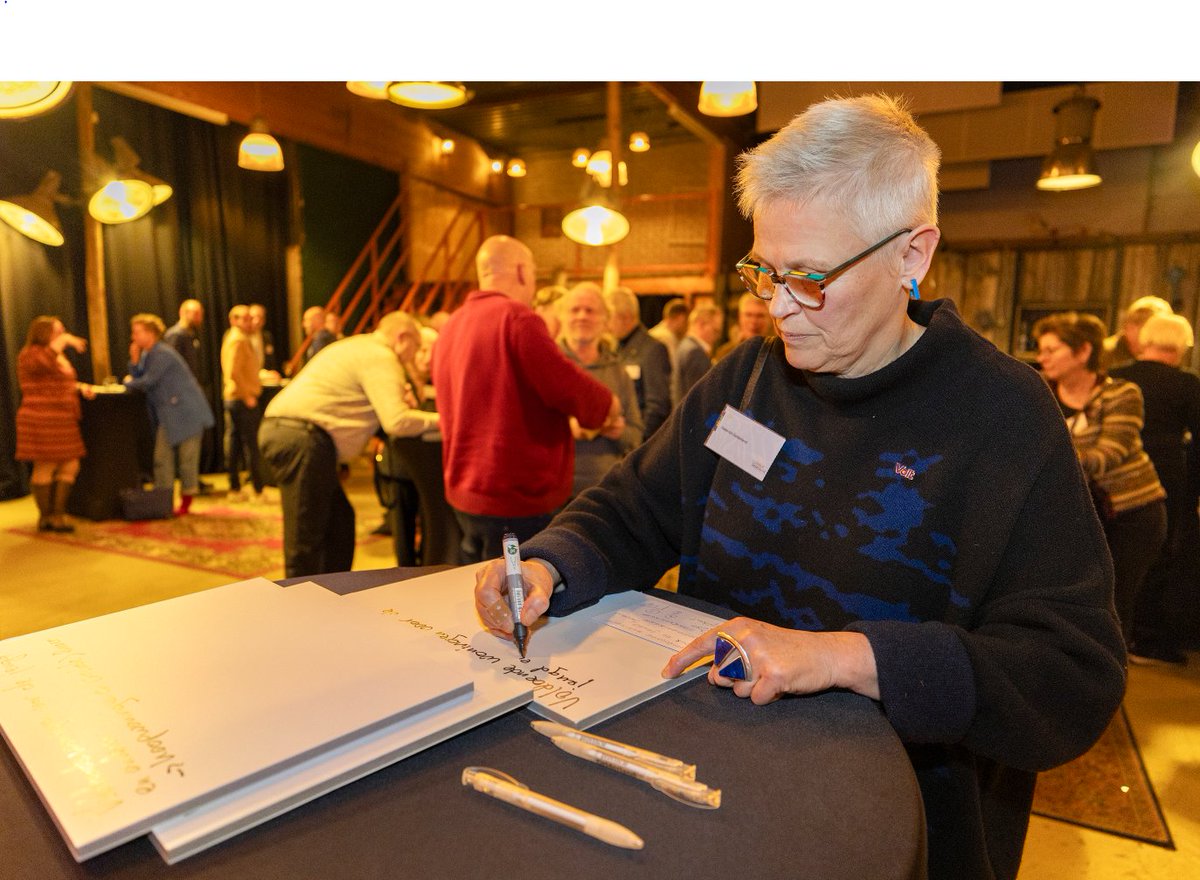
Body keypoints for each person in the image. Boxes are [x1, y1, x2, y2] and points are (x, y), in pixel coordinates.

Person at [474, 95, 1126, 880]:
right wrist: (551, 564)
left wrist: (844, 658)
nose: (777, 308)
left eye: (810, 278)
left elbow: (1069, 678)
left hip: (897, 826)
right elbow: (637, 510)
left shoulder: (1002, 416)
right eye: (763, 272)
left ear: (911, 256)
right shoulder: (747, 379)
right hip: (714, 785)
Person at [431, 234, 621, 564]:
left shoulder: (451, 325)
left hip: (464, 492)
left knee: (477, 593)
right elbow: (568, 387)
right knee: (516, 604)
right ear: (521, 272)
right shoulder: (517, 318)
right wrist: (609, 406)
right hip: (514, 497)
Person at [259, 311, 439, 577]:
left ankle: (331, 592)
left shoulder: (360, 347)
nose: (414, 355)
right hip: (302, 437)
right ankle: (298, 602)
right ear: (402, 337)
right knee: (307, 533)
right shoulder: (381, 356)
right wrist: (445, 421)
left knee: (339, 523)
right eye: (415, 346)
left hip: (296, 434)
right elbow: (396, 421)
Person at [1035, 311, 1167, 651]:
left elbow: (1110, 452)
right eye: (1041, 349)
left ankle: (1106, 686)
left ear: (1083, 352)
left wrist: (1049, 458)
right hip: (1075, 512)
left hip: (1131, 513)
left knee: (1114, 605)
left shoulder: (1122, 393)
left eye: (1052, 349)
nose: (1041, 357)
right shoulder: (1039, 392)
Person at [1110, 313, 1200, 664]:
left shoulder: (1115, 379)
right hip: (1165, 475)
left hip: (1113, 478)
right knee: (1160, 556)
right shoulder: (1186, 385)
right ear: (1179, 347)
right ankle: (1143, 639)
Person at [124, 314, 215, 516]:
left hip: (187, 413)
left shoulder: (162, 353)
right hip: (170, 415)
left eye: (137, 332)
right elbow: (141, 377)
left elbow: (147, 381)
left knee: (187, 461)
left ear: (150, 333)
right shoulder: (149, 354)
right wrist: (134, 360)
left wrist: (125, 383)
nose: (133, 336)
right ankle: (163, 502)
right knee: (162, 458)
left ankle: (185, 504)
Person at [558, 283, 643, 496]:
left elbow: (636, 435)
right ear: (563, 317)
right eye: (574, 310)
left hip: (602, 488)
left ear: (605, 319)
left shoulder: (617, 371)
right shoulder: (549, 365)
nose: (582, 316)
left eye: (590, 310)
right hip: (555, 488)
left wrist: (620, 432)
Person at [15, 316, 93, 532]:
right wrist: (64, 341)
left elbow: (58, 382)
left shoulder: (57, 356)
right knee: (46, 465)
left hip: (63, 418)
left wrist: (79, 388)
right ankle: (47, 517)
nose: (63, 335)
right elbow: (43, 365)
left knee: (71, 464)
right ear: (43, 333)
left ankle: (57, 514)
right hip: (41, 417)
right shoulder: (31, 354)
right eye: (58, 332)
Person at [606, 285, 672, 438]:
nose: (607, 325)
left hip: (638, 443)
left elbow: (657, 407)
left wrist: (636, 440)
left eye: (610, 318)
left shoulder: (652, 349)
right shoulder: (615, 348)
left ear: (626, 317)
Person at [221, 305, 266, 502]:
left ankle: (236, 487)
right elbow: (233, 371)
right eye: (244, 319)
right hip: (240, 399)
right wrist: (248, 394)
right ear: (234, 320)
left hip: (236, 397)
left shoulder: (236, 338)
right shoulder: (237, 340)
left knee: (236, 444)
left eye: (250, 318)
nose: (249, 322)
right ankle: (255, 489)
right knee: (249, 445)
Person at [670, 301, 723, 405]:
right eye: (715, 330)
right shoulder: (695, 352)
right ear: (701, 324)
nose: (718, 337)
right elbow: (700, 398)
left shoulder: (684, 346)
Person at [1103, 295, 1173, 370]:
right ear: (1129, 328)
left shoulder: (1163, 356)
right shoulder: (1102, 354)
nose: (1157, 338)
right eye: (1153, 330)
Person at [714, 292, 771, 361]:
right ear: (739, 317)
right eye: (748, 315)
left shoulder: (779, 352)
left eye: (760, 316)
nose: (753, 321)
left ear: (770, 318)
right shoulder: (725, 353)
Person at [162, 298, 205, 380]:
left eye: (201, 314)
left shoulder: (190, 334)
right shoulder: (175, 334)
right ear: (183, 313)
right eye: (196, 314)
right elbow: (171, 365)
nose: (200, 318)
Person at [293, 305, 336, 375]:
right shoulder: (323, 338)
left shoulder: (322, 340)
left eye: (307, 320)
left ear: (317, 320)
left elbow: (319, 369)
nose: (304, 325)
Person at [648, 297, 688, 367]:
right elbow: (673, 368)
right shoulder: (666, 338)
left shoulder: (653, 332)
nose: (686, 326)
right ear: (680, 318)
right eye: (685, 322)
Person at [247, 303, 280, 377]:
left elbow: (271, 360)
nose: (257, 321)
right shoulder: (242, 338)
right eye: (253, 317)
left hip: (264, 381)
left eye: (260, 317)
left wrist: (271, 372)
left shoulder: (267, 336)